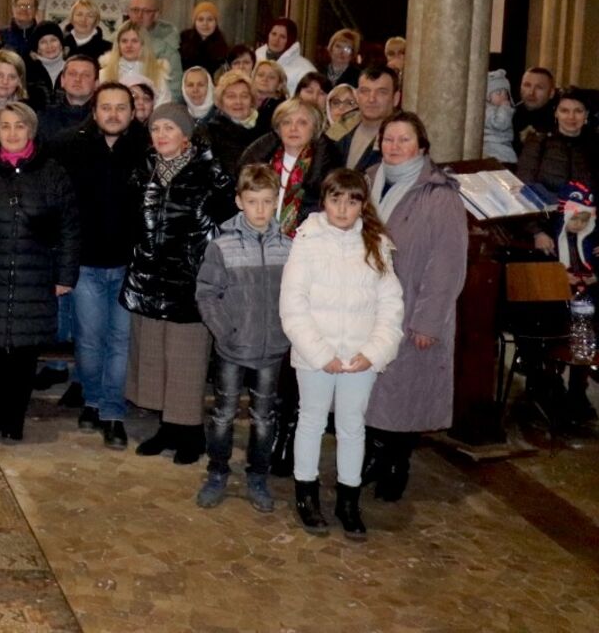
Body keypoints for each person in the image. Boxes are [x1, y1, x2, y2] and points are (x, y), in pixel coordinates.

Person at [280, 169, 405, 539]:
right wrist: (319, 353)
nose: (343, 208)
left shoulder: (376, 244)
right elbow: (293, 304)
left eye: (352, 201)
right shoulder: (307, 240)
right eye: (336, 199)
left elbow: (390, 304)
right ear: (325, 201)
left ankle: (349, 500)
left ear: (362, 206)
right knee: (312, 420)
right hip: (316, 351)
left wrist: (375, 350)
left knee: (352, 425)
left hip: (359, 356)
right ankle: (307, 493)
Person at [364, 112, 470, 502]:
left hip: (414, 305)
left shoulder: (439, 196)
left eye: (403, 140)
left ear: (421, 147)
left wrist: (428, 322)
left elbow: (447, 264)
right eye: (388, 139)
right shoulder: (368, 180)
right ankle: (376, 455)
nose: (394, 147)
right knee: (374, 389)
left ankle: (397, 462)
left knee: (404, 391)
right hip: (369, 307)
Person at [122, 104, 237, 463]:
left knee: (186, 357)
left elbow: (229, 217)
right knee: (155, 356)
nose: (161, 136)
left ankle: (191, 433)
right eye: (156, 129)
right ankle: (167, 428)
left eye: (169, 128)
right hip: (150, 278)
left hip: (190, 279)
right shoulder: (144, 170)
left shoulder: (209, 170)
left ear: (185, 135)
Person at [0, 98, 78, 441]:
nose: (12, 133)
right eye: (5, 126)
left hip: (35, 275)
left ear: (31, 129)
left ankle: (14, 421)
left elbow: (70, 228)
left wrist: (64, 276)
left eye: (20, 126)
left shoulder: (52, 172)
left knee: (24, 355)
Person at [49, 81, 143, 448]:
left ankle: (112, 412)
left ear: (133, 113)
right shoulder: (68, 146)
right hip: (85, 264)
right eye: (107, 107)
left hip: (128, 266)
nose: (114, 114)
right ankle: (91, 399)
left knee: (120, 341)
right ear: (94, 110)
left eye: (122, 107)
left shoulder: (146, 149)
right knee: (89, 341)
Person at [193, 164, 290, 513]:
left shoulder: (288, 247)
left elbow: (296, 295)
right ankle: (217, 472)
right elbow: (207, 293)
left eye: (267, 202)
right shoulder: (223, 246)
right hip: (233, 347)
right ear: (239, 201)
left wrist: (285, 330)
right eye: (253, 201)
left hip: (272, 348)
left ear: (276, 202)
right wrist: (224, 331)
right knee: (223, 413)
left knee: (264, 418)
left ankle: (258, 476)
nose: (260, 210)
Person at [240, 99, 344, 237]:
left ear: (315, 128)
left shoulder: (328, 168)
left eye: (302, 123)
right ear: (278, 128)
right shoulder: (261, 162)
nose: (293, 128)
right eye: (286, 122)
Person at [516, 91, 596, 192]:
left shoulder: (594, 146)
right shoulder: (538, 142)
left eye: (578, 111)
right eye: (564, 111)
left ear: (586, 114)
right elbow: (525, 183)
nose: (571, 117)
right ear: (556, 113)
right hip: (544, 206)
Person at [334, 64, 400, 172]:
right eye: (365, 91)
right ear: (357, 96)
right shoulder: (341, 129)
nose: (371, 99)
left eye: (381, 92)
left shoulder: (402, 140)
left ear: (396, 98)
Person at [99, 23, 171, 105]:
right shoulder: (104, 74)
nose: (129, 45)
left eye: (134, 41)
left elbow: (164, 106)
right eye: (124, 41)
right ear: (118, 45)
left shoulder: (157, 74)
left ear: (144, 45)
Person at [256, 17, 318, 93]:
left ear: (290, 40)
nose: (276, 39)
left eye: (282, 37)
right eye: (273, 34)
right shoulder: (256, 58)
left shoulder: (305, 69)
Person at [179, 3, 230, 74]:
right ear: (195, 22)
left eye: (210, 19)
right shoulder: (183, 40)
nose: (205, 23)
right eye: (200, 19)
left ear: (216, 22)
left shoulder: (222, 46)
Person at [514, 66, 558, 149]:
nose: (531, 92)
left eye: (539, 87)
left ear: (551, 93)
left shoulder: (559, 121)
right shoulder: (508, 115)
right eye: (527, 85)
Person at [483, 69, 518, 164]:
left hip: (503, 144)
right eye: (498, 93)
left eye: (505, 93)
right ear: (488, 96)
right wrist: (505, 108)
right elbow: (500, 124)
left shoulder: (498, 108)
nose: (503, 96)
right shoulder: (488, 110)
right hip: (494, 146)